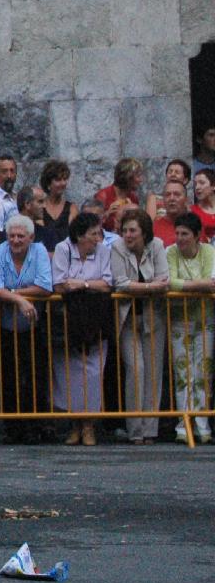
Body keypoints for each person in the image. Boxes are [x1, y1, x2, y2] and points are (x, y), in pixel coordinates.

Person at [0, 214, 53, 443]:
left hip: (34, 326)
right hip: (4, 326)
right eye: (12, 236)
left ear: (31, 237)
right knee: (7, 377)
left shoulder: (39, 251)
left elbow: (45, 285)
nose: (15, 240)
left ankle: (35, 426)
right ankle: (12, 428)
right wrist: (21, 300)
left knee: (36, 376)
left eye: (20, 236)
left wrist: (13, 293)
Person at [50, 213, 112, 446]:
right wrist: (85, 286)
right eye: (93, 234)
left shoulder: (104, 251)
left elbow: (107, 284)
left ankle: (89, 425)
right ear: (79, 235)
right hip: (70, 318)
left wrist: (82, 284)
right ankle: (74, 424)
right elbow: (59, 284)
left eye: (99, 233)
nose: (97, 238)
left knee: (94, 372)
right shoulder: (63, 249)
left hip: (96, 318)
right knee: (70, 373)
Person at [111, 209, 170, 445]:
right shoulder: (117, 248)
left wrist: (145, 287)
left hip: (153, 317)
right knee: (135, 369)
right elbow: (120, 283)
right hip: (128, 318)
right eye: (124, 230)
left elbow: (164, 279)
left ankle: (150, 430)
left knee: (153, 372)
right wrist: (150, 287)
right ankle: (135, 429)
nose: (127, 235)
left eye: (132, 230)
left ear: (144, 232)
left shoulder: (157, 246)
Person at [165, 213, 214, 444]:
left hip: (206, 320)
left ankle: (202, 424)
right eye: (177, 233)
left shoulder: (209, 251)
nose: (179, 238)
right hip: (179, 320)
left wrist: (187, 286)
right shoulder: (170, 252)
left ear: (196, 235)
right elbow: (169, 282)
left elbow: (212, 281)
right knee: (183, 374)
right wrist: (199, 285)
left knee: (203, 372)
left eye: (185, 234)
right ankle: (183, 424)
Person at [32, 160, 76, 252]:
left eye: (65, 179)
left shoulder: (72, 208)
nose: (63, 183)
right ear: (48, 184)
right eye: (58, 180)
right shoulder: (40, 208)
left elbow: (75, 236)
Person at [97, 158, 148, 232]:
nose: (141, 180)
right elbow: (92, 224)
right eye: (138, 176)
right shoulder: (103, 196)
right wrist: (106, 214)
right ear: (128, 177)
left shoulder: (133, 198)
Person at [152, 179, 193, 247]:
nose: (172, 198)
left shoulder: (195, 225)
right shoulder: (154, 228)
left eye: (177, 194)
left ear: (186, 200)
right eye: (167, 195)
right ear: (163, 200)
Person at [193, 169, 215, 239]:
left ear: (213, 185)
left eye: (202, 183)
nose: (197, 187)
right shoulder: (192, 211)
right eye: (195, 184)